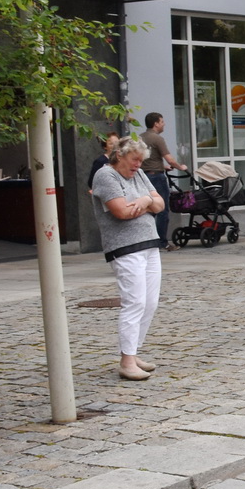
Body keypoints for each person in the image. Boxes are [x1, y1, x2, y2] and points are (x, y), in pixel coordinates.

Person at [92, 137, 165, 380]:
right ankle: (126, 360)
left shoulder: (139, 175)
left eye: (140, 160)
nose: (137, 165)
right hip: (125, 247)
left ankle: (133, 353)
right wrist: (149, 204)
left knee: (150, 302)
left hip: (149, 243)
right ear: (120, 155)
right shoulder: (106, 176)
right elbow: (122, 211)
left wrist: (144, 201)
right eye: (134, 159)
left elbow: (160, 204)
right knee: (134, 302)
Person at [141, 113, 186, 249]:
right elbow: (170, 159)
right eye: (162, 121)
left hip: (143, 176)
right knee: (162, 209)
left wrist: (162, 166)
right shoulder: (157, 139)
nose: (164, 124)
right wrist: (181, 167)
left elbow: (146, 159)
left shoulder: (140, 138)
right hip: (156, 178)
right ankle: (162, 242)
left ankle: (146, 241)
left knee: (147, 209)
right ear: (156, 124)